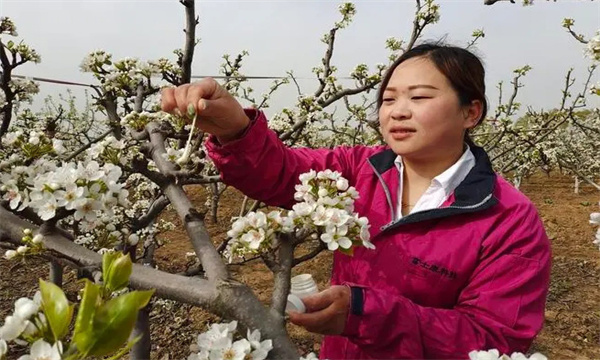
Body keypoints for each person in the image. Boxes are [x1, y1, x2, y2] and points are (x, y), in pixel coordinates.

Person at [161, 43, 551, 360]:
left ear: (471, 112)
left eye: (419, 97)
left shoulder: (508, 218)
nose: (397, 111)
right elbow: (279, 172)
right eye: (388, 99)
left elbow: (494, 340)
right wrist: (235, 129)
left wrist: (366, 314)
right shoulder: (357, 170)